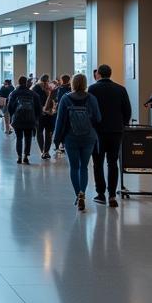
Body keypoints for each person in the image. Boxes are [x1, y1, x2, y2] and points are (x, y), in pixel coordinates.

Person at [53, 74, 102, 210]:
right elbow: (98, 118)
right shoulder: (91, 98)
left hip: (71, 137)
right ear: (85, 83)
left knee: (74, 167)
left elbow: (60, 120)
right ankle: (83, 192)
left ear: (72, 83)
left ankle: (78, 195)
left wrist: (56, 139)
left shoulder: (65, 98)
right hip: (88, 137)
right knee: (84, 167)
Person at [88, 64, 132, 207]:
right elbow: (127, 111)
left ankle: (100, 194)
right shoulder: (121, 89)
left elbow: (89, 111)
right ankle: (112, 195)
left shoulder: (93, 89)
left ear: (98, 74)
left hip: (98, 132)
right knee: (113, 162)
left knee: (98, 163)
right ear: (110, 74)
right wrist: (121, 125)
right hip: (115, 131)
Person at [8, 75, 39, 163]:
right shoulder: (33, 94)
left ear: (18, 82)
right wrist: (35, 119)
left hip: (18, 119)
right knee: (28, 137)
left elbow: (10, 107)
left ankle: (19, 157)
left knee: (19, 138)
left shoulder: (14, 93)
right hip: (30, 119)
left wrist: (11, 118)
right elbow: (38, 108)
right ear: (26, 83)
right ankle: (26, 156)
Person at [37, 75, 57, 159]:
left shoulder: (36, 88)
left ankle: (42, 151)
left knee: (40, 132)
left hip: (39, 114)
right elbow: (55, 101)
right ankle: (46, 151)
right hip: (49, 114)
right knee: (48, 133)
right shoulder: (51, 88)